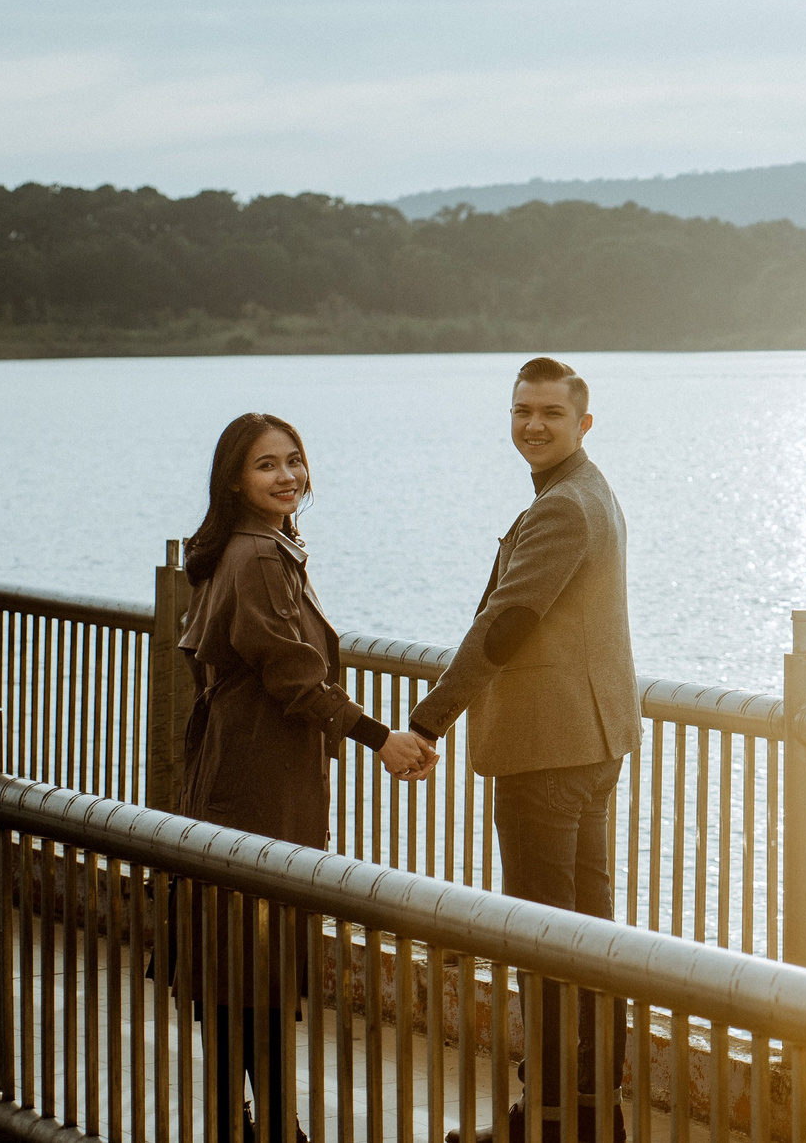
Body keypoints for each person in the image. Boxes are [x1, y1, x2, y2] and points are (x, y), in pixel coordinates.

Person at [178, 411, 436, 1141]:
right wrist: (380, 738)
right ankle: (266, 1124)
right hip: (259, 785)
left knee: (239, 960)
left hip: (242, 774)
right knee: (254, 960)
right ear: (235, 480)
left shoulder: (254, 547)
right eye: (267, 464)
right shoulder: (260, 555)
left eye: (294, 460)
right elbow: (292, 674)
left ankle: (251, 1119)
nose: (287, 475)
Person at [409, 358, 640, 1143]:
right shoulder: (588, 491)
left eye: (550, 413)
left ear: (583, 422)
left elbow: (505, 624)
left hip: (549, 750)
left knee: (544, 938)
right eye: (521, 412)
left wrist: (428, 721)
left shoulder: (562, 508)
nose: (533, 425)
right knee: (591, 933)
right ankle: (592, 1108)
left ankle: (543, 1115)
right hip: (591, 743)